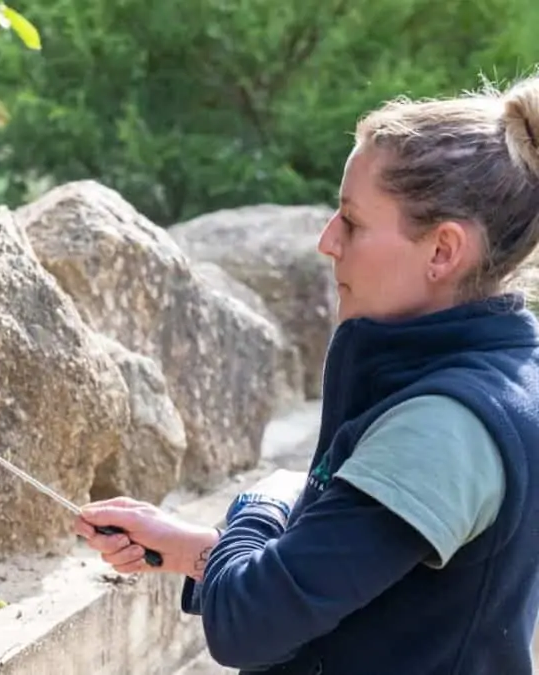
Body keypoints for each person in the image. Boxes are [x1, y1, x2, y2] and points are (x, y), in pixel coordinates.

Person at [75, 73, 539, 674]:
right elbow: (355, 586)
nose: (327, 241)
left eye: (352, 221)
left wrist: (261, 508)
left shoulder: (446, 429)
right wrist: (198, 551)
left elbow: (249, 623)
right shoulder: (483, 375)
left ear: (443, 251)